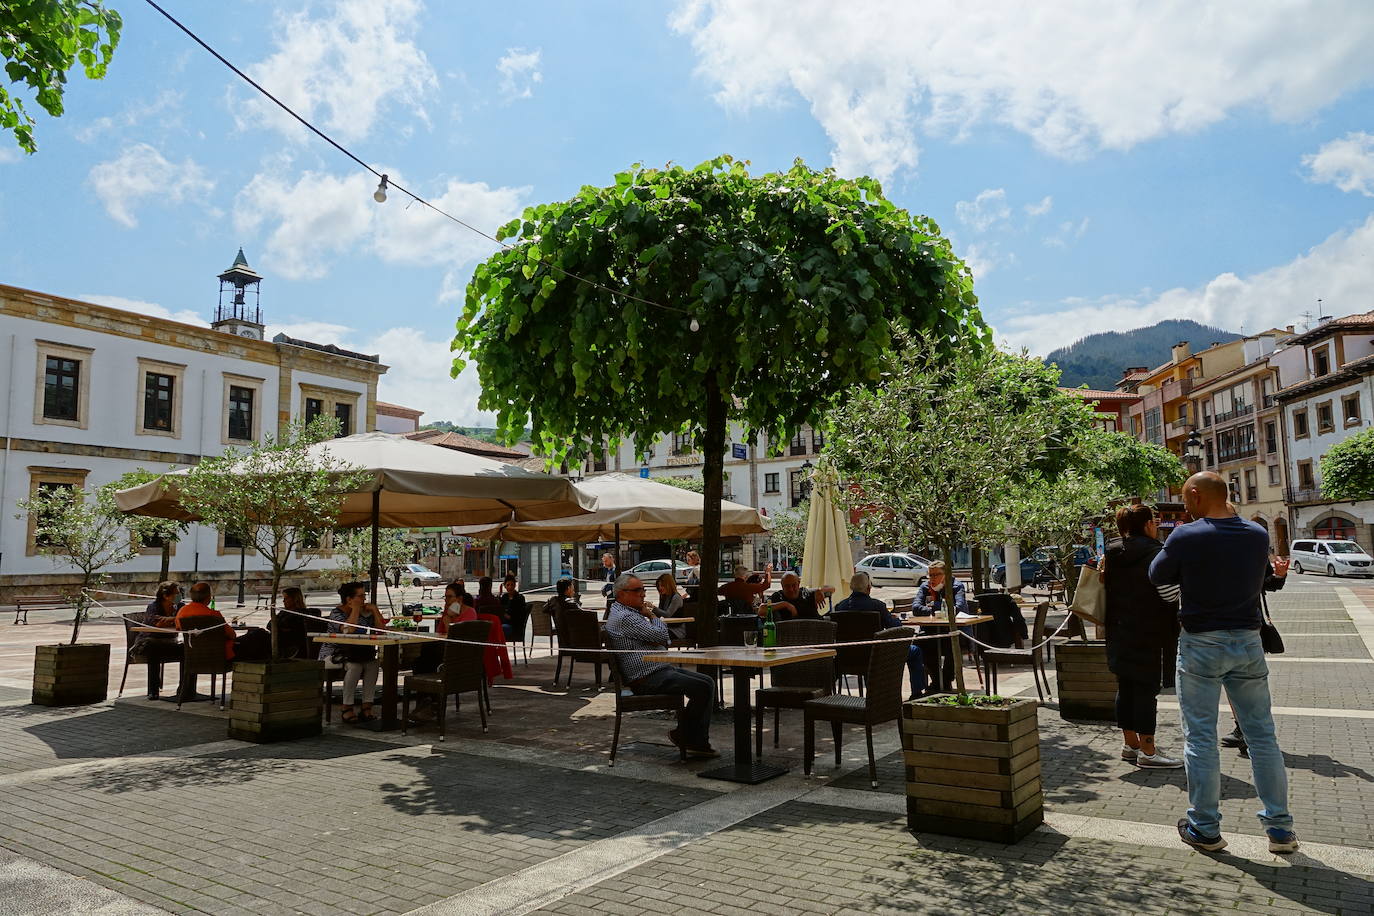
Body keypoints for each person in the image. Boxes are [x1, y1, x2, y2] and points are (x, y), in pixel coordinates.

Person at [1149, 471, 1298, 854]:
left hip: (1201, 643)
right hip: (1247, 641)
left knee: (1200, 737)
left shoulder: (1186, 535)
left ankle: (1205, 827)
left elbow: (1156, 574)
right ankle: (1280, 830)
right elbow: (1262, 578)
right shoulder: (1256, 534)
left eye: (1185, 498)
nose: (1183, 506)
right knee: (1262, 736)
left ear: (1196, 495)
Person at [1101, 504, 1183, 768]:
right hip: (1152, 632)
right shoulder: (1157, 553)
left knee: (1125, 687)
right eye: (1155, 520)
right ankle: (1148, 752)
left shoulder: (1111, 552)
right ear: (1147, 524)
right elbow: (1169, 595)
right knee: (1147, 690)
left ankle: (1130, 745)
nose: (1157, 524)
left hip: (1118, 629)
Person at [604, 573, 717, 757]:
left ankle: (689, 736)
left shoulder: (627, 611)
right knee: (703, 686)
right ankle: (691, 738)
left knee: (707, 682)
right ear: (621, 594)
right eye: (637, 590)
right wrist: (652, 616)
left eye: (643, 589)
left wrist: (651, 624)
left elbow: (658, 637)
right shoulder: (625, 617)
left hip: (657, 669)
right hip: (646, 677)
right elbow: (661, 636)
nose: (643, 594)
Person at [1222, 554, 1290, 756]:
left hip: (1250, 628)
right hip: (1219, 627)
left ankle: (1249, 732)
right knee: (1230, 681)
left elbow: (1267, 585)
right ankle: (1242, 727)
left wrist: (1279, 575)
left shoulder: (1252, 545)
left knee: (1248, 683)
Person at [834, 572, 928, 699]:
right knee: (915, 651)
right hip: (878, 657)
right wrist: (896, 620)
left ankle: (874, 695)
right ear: (868, 588)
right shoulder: (876, 606)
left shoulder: (840, 607)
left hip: (847, 658)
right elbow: (895, 628)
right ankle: (917, 694)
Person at [324, 581, 384, 724]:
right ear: (349, 599)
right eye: (360, 596)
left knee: (373, 664)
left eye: (364, 596)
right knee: (355, 666)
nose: (364, 599)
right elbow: (348, 630)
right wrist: (355, 610)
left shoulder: (366, 613)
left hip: (359, 653)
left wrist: (375, 611)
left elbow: (381, 630)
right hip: (334, 654)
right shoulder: (336, 613)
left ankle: (367, 706)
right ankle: (347, 707)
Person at [174, 582, 235, 702]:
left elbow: (178, 627)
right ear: (208, 597)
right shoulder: (214, 615)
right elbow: (232, 634)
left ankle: (184, 692)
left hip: (192, 656)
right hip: (218, 658)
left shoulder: (182, 613)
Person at [133, 581, 183, 700]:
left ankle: (184, 689)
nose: (179, 596)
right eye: (176, 594)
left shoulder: (180, 606)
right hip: (148, 642)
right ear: (166, 596)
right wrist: (173, 619)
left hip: (170, 642)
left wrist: (168, 619)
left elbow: (185, 619)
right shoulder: (154, 607)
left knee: (186, 649)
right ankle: (153, 690)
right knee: (153, 648)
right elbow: (156, 623)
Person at [768, 572, 835, 620]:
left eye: (793, 585)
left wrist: (821, 590)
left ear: (798, 583)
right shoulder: (778, 596)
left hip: (816, 632)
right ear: (782, 586)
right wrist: (785, 604)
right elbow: (761, 610)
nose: (791, 589)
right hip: (790, 635)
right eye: (787, 586)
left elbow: (832, 588)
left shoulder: (807, 593)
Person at [652, 573, 688, 641]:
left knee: (655, 635)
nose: (660, 588)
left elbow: (667, 614)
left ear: (668, 585)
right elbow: (659, 614)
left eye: (662, 585)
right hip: (666, 627)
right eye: (658, 586)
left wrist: (654, 608)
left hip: (677, 631)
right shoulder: (664, 596)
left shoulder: (676, 597)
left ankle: (660, 650)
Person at [498, 575, 527, 640]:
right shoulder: (504, 597)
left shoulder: (520, 598)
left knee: (500, 628)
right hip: (505, 622)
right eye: (508, 585)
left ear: (515, 585)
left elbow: (520, 615)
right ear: (505, 586)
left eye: (512, 585)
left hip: (515, 626)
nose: (510, 587)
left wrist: (508, 616)